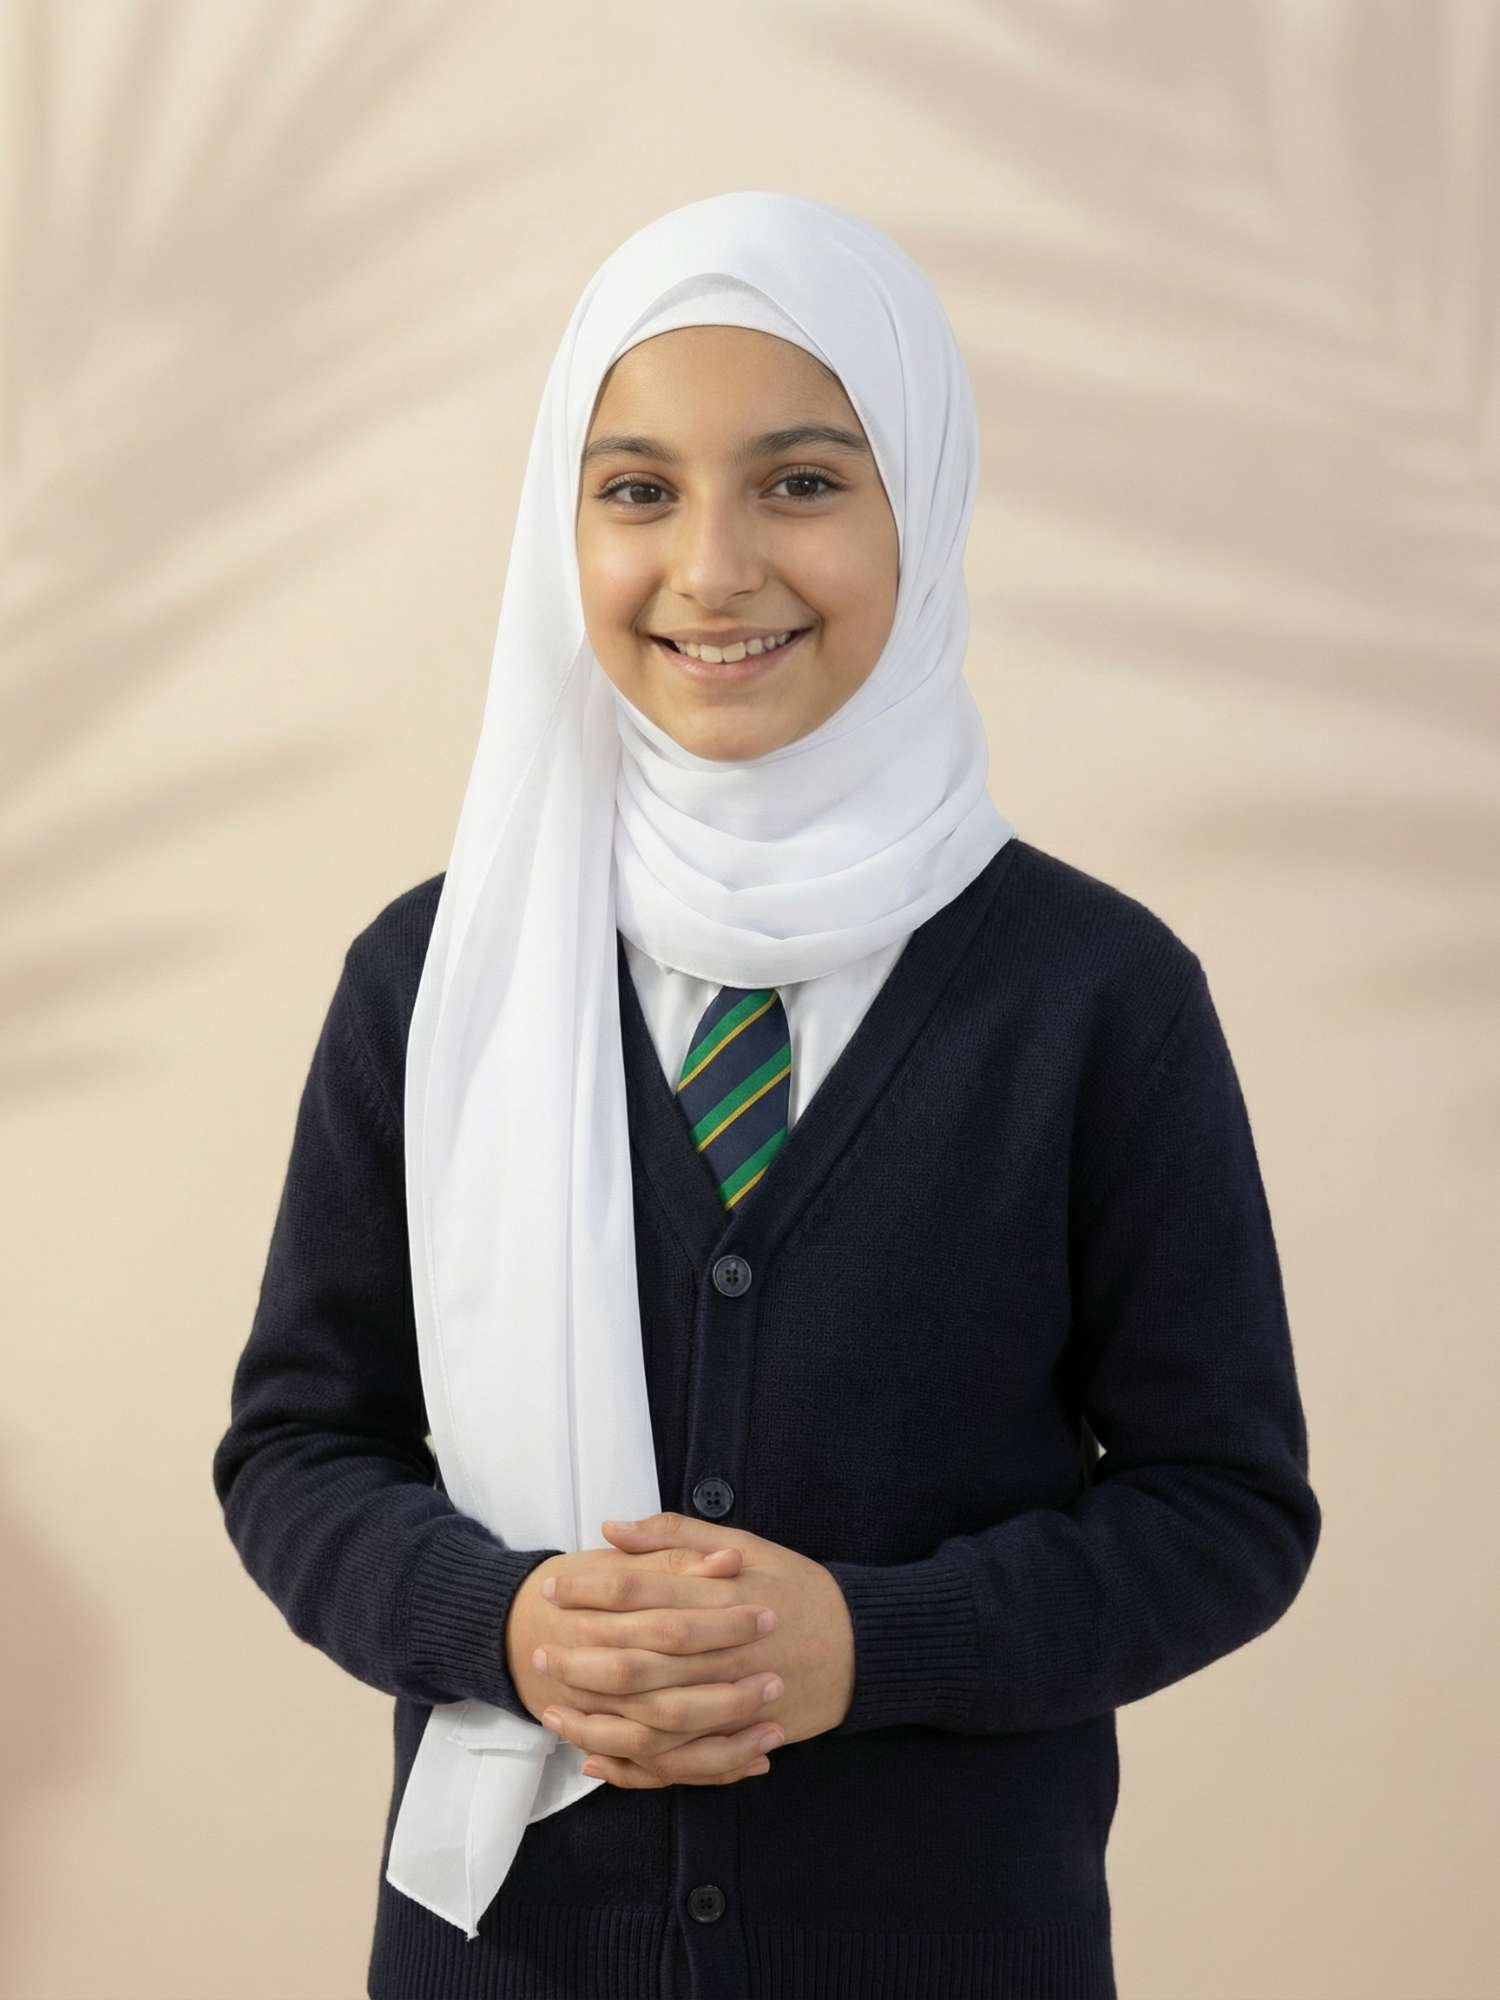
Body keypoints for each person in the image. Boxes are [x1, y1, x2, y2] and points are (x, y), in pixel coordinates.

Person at [212, 191, 1321, 2000]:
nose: (714, 568)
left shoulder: (1097, 997)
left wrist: (869, 1647)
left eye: (802, 482)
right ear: (559, 531)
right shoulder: (433, 979)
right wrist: (492, 1623)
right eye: (637, 490)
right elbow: (297, 1447)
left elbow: (1225, 1508)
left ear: (926, 510)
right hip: (510, 1958)